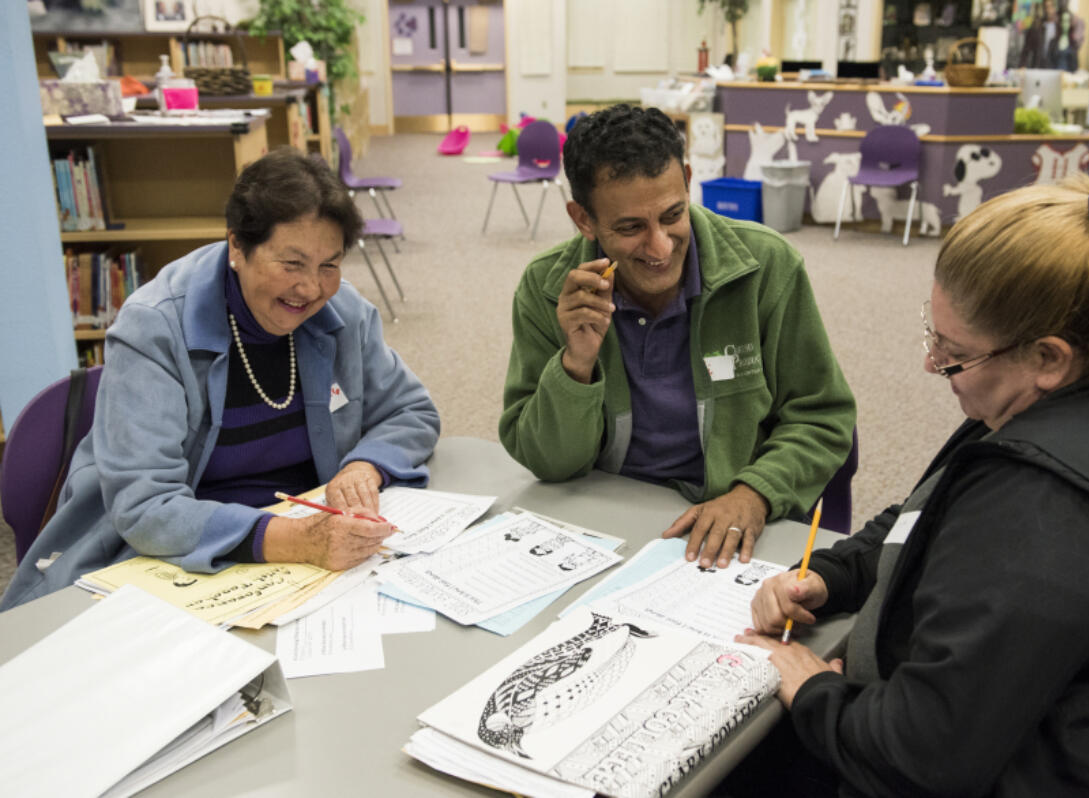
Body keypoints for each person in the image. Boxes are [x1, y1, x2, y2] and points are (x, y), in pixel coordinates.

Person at [730, 176, 1089, 796]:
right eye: (933, 333)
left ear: (1048, 358)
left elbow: (921, 756)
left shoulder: (1053, 513)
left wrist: (813, 689)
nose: (930, 363)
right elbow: (929, 510)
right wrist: (834, 572)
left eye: (953, 351)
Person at [2, 149, 440, 611]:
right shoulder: (153, 328)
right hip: (176, 558)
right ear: (237, 246)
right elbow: (145, 507)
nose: (311, 289)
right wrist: (299, 540)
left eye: (328, 265)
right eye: (291, 264)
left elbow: (411, 409)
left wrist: (363, 466)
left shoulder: (342, 312)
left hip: (305, 558)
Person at [499, 104, 855, 570]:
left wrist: (755, 493)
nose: (660, 247)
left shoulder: (767, 267)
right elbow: (548, 462)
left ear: (688, 180)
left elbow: (823, 416)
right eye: (630, 228)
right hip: (603, 519)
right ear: (583, 219)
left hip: (729, 517)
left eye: (672, 214)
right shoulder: (548, 288)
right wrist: (576, 364)